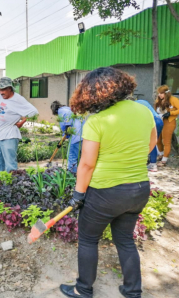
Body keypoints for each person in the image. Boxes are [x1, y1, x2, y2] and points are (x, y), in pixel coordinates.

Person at [60, 67, 157, 298]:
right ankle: (133, 291)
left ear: (92, 93)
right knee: (125, 240)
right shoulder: (144, 111)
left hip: (105, 193)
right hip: (139, 189)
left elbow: (86, 164)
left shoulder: (96, 120)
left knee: (88, 239)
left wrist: (78, 195)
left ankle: (83, 289)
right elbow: (151, 144)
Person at [0, 77, 38, 176]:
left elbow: (33, 112)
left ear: (10, 88)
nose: (1, 92)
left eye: (3, 89)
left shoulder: (18, 99)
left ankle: (12, 185)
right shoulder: (0, 98)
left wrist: (22, 121)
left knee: (10, 163)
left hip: (10, 134)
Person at [50, 101, 85, 173]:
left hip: (76, 136)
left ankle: (72, 174)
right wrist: (64, 136)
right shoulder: (69, 109)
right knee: (81, 157)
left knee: (71, 156)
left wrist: (65, 134)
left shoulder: (61, 111)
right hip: (85, 135)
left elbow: (67, 125)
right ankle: (80, 173)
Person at [154, 85, 179, 166]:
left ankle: (164, 160)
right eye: (159, 93)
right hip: (160, 121)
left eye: (161, 93)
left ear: (166, 93)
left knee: (166, 141)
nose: (159, 95)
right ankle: (161, 154)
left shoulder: (174, 99)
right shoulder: (159, 100)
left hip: (169, 122)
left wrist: (170, 113)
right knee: (157, 140)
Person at [136, 99, 163, 172]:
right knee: (154, 141)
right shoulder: (144, 101)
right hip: (159, 120)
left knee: (150, 142)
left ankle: (153, 164)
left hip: (152, 120)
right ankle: (153, 160)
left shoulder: (135, 105)